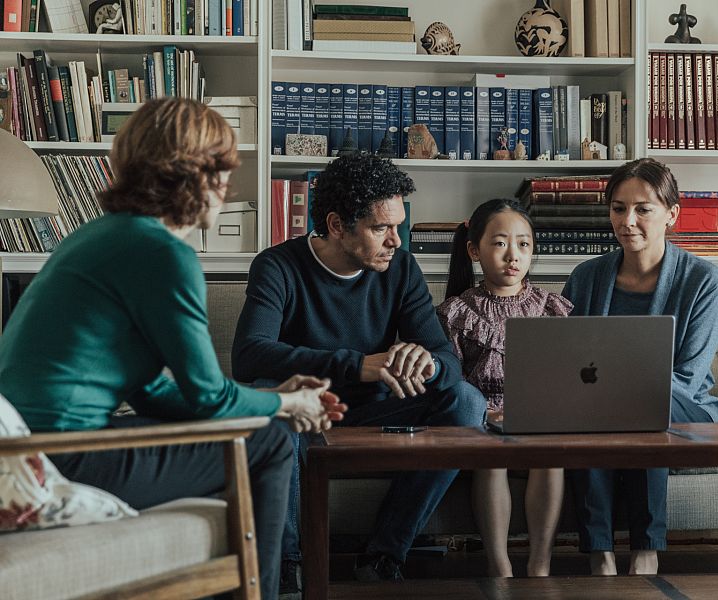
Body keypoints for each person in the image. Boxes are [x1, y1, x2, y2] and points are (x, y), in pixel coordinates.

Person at [0, 97, 347, 600]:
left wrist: (273, 398)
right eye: (221, 168)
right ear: (190, 173)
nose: (227, 184)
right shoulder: (163, 253)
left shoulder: (99, 235)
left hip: (33, 445)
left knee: (256, 429)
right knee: (269, 442)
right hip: (59, 456)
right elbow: (209, 398)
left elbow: (149, 390)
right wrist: (287, 405)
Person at [231, 153, 486, 586]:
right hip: (306, 415)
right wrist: (357, 366)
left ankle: (384, 556)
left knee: (466, 401)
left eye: (399, 225)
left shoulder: (401, 269)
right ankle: (289, 569)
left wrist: (425, 363)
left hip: (377, 413)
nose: (397, 241)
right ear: (336, 225)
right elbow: (250, 356)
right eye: (381, 228)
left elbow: (447, 360)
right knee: (272, 401)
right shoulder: (277, 266)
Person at [562, 158, 718, 576]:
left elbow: (689, 377)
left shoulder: (705, 279)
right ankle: (599, 552)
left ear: (672, 214)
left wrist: (617, 388)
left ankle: (645, 550)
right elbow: (565, 360)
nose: (628, 220)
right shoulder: (585, 277)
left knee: (641, 398)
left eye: (643, 209)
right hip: (598, 407)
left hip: (683, 406)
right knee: (595, 404)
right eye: (618, 208)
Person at [436, 198, 572, 578]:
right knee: (491, 458)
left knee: (550, 457)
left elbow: (567, 374)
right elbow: (452, 381)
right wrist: (486, 413)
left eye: (523, 244)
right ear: (473, 250)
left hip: (538, 418)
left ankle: (540, 563)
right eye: (499, 243)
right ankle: (499, 565)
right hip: (483, 419)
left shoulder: (552, 307)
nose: (513, 255)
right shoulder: (456, 312)